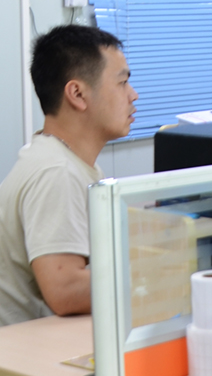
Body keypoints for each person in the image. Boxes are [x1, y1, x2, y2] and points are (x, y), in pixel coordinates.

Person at [0, 25, 137, 326]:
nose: (133, 95)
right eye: (122, 83)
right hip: (26, 349)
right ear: (77, 94)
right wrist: (154, 279)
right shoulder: (56, 172)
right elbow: (64, 290)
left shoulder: (67, 161)